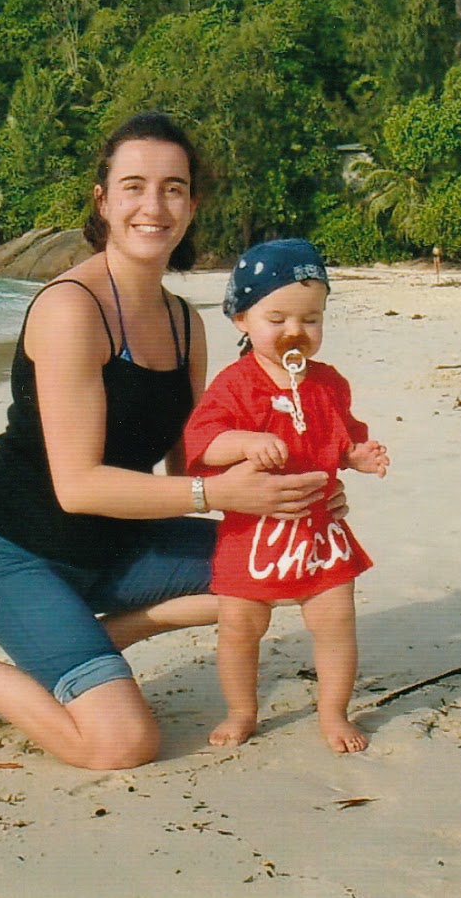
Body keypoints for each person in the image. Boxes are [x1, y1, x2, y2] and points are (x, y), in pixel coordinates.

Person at [0, 112, 336, 770]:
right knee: (121, 743)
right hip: (22, 555)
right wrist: (215, 489)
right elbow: (78, 487)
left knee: (291, 564)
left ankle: (100, 639)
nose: (153, 206)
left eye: (173, 188)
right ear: (103, 201)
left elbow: (190, 460)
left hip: (122, 545)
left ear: (191, 204)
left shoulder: (185, 324)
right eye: (134, 186)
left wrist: (288, 487)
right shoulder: (73, 308)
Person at [183, 239, 389, 754]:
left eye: (311, 319)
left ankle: (334, 711)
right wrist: (246, 441)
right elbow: (203, 443)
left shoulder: (328, 383)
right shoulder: (235, 385)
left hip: (318, 529)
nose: (296, 331)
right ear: (241, 319)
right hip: (252, 530)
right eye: (277, 319)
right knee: (239, 625)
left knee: (335, 620)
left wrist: (357, 456)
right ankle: (242, 710)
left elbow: (342, 438)